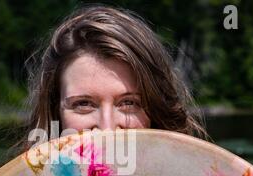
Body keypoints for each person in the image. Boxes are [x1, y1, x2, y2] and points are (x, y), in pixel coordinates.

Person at [18, 4, 207, 152]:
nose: (107, 130)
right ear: (55, 111)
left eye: (129, 103)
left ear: (157, 111)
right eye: (83, 104)